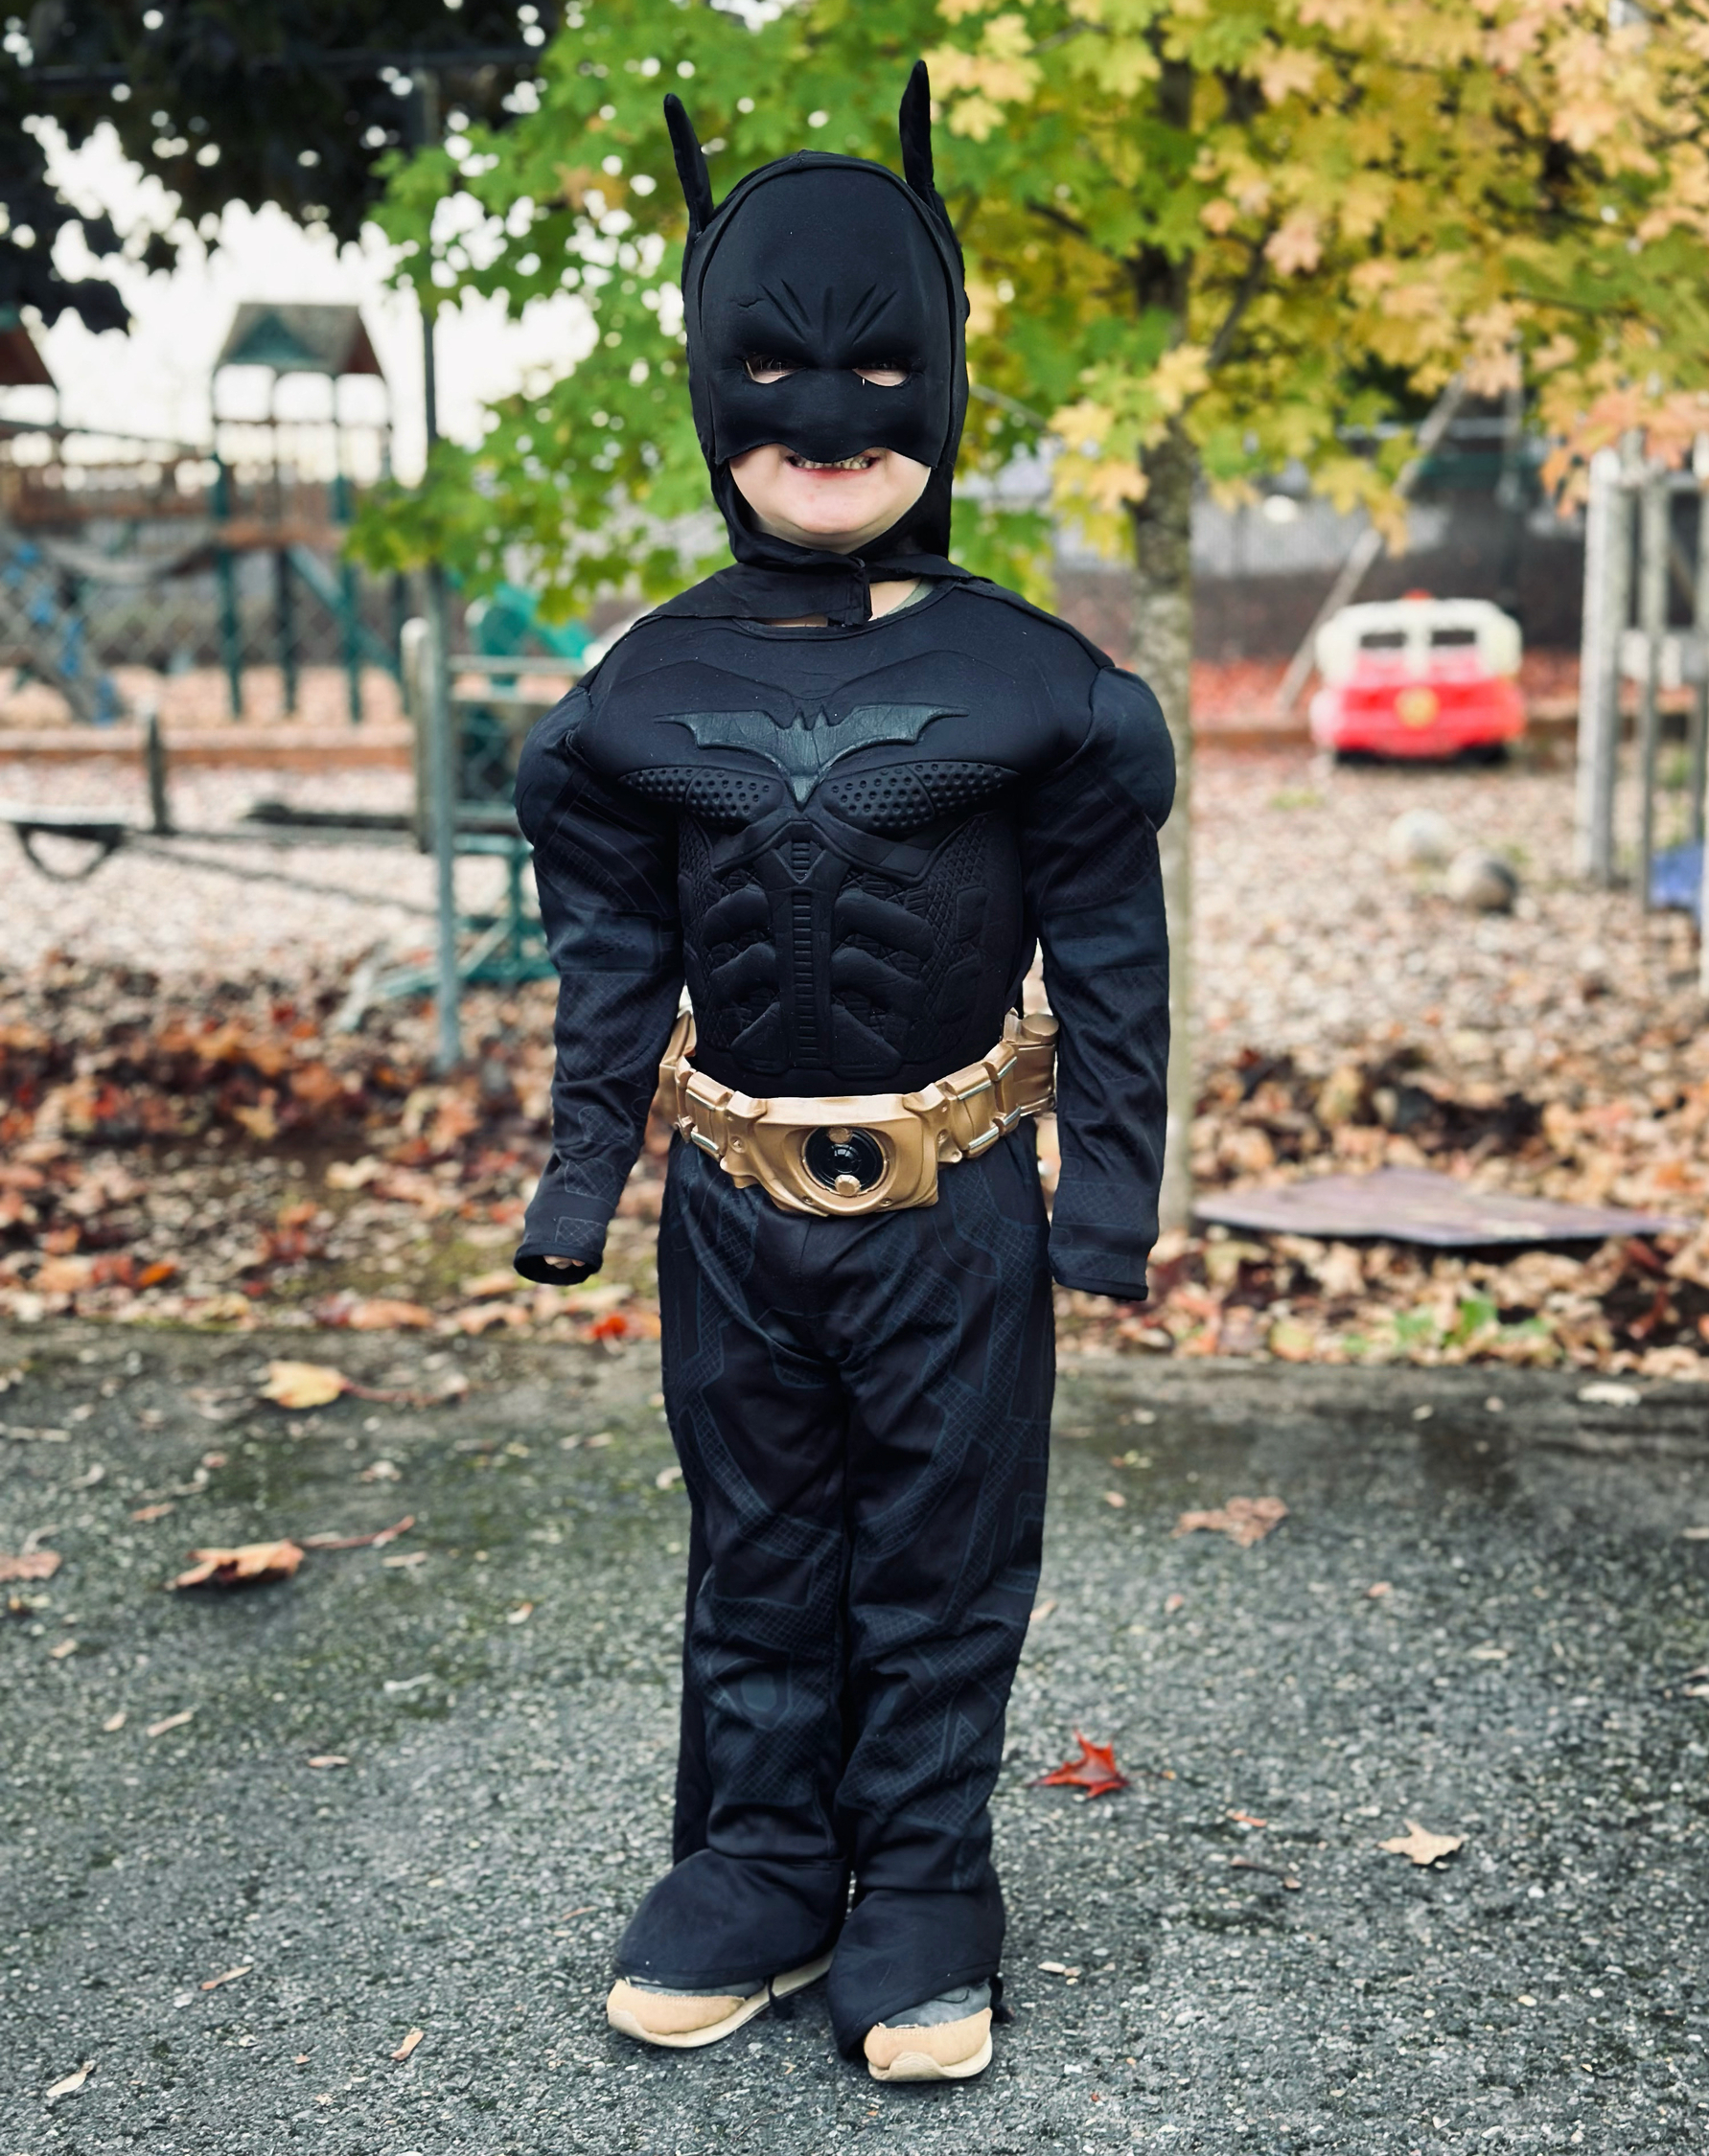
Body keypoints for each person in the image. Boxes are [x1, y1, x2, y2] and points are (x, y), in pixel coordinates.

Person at [512, 63, 1174, 2083]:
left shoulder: (1038, 687)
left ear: (942, 380)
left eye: (873, 369)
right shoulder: (646, 689)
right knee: (762, 1546)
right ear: (713, 393)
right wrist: (576, 1167)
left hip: (954, 1206)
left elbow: (1115, 953)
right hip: (728, 1210)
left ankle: (919, 1888)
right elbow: (613, 949)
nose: (819, 424)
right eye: (769, 376)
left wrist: (1112, 1197)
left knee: (941, 1557)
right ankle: (759, 1864)